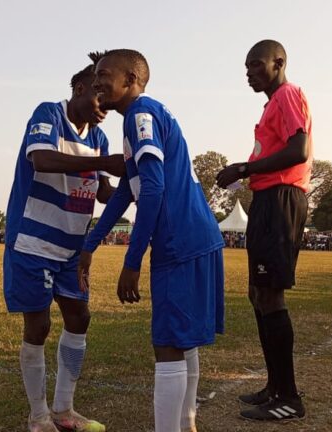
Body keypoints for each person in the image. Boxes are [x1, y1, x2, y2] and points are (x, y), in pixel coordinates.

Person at [78, 49, 225, 432]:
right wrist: (91, 245)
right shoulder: (144, 115)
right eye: (95, 77)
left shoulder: (140, 116)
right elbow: (129, 189)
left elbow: (155, 190)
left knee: (168, 345)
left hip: (179, 240)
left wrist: (132, 262)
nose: (97, 83)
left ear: (131, 80)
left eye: (104, 75)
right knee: (183, 339)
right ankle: (187, 423)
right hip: (197, 234)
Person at [3, 61, 125, 432]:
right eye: (97, 93)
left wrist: (139, 188)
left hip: (71, 249)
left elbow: (103, 191)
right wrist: (104, 162)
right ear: (78, 88)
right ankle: (38, 416)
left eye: (108, 95)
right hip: (33, 242)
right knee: (38, 326)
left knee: (79, 318)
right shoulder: (49, 114)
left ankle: (64, 409)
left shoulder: (99, 138)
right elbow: (41, 158)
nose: (103, 103)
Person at [216, 39, 311, 421]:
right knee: (258, 293)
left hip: (281, 198)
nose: (250, 73)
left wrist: (243, 169)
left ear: (279, 62)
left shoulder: (288, 95)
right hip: (267, 199)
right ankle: (274, 386)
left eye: (256, 65)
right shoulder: (273, 103)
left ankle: (289, 398)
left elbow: (298, 150)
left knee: (270, 296)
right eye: (247, 68)